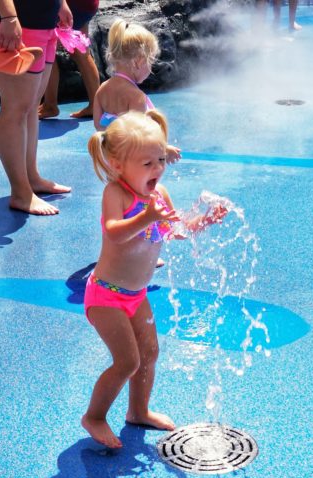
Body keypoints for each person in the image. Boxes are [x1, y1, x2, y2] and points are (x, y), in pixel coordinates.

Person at [82, 110, 228, 449]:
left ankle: (138, 410)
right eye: (147, 164)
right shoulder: (116, 194)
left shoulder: (159, 196)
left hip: (135, 294)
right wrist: (146, 216)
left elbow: (175, 229)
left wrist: (204, 221)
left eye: (160, 160)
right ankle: (95, 416)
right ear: (118, 165)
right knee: (127, 361)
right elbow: (114, 233)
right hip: (106, 295)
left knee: (149, 353)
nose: (157, 169)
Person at [0, 0, 73, 215]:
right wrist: (9, 17)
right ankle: (21, 193)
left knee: (32, 104)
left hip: (43, 20)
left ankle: (31, 178)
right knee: (16, 107)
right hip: (18, 22)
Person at [93, 18, 181, 163]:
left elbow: (98, 126)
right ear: (138, 62)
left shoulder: (102, 90)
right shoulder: (136, 97)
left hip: (112, 160)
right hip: (135, 164)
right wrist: (163, 149)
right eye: (150, 60)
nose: (151, 67)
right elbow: (140, 136)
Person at [39, 0, 100, 120]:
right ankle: (96, 105)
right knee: (80, 51)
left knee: (46, 48)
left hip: (69, 5)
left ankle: (50, 105)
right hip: (87, 5)